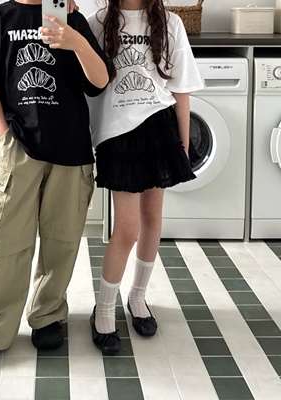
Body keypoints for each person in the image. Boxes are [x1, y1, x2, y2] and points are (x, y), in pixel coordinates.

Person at [0, 0, 109, 375]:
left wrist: (76, 41)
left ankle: (48, 315)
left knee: (62, 241)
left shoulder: (71, 17)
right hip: (18, 147)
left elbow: (99, 82)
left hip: (70, 149)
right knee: (3, 240)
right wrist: (5, 135)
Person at [86, 0, 204, 353]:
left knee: (152, 218)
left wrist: (183, 140)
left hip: (159, 126)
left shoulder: (170, 23)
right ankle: (104, 307)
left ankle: (137, 297)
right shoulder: (97, 22)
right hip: (117, 134)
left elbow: (180, 87)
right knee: (126, 228)